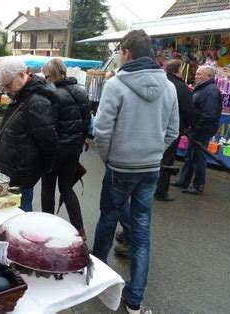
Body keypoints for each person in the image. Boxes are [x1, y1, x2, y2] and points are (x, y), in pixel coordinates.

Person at [92, 30, 179, 313]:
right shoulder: (168, 87)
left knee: (108, 219)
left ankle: (97, 279)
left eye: (120, 51)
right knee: (141, 230)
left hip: (120, 166)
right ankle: (135, 299)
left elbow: (102, 131)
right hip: (150, 168)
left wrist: (109, 158)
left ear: (127, 53)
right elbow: (173, 132)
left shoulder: (116, 85)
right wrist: (153, 152)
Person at [0, 58, 58, 212]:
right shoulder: (22, 96)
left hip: (21, 175)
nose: (7, 90)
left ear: (22, 75)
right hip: (14, 171)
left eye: (8, 86)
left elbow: (49, 143)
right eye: (4, 87)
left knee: (21, 213)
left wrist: (36, 169)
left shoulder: (36, 102)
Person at [40, 58, 90, 237]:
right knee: (67, 188)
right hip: (74, 149)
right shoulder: (81, 91)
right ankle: (80, 229)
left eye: (46, 76)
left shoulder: (51, 94)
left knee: (47, 189)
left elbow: (48, 126)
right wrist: (82, 139)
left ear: (51, 76)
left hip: (55, 151)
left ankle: (47, 230)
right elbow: (86, 122)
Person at [172, 65, 222, 195]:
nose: (196, 76)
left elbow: (209, 115)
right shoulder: (201, 89)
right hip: (196, 128)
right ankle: (184, 181)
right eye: (197, 74)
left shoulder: (211, 91)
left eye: (200, 74)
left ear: (208, 77)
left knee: (198, 157)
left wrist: (197, 127)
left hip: (203, 129)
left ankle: (198, 185)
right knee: (189, 155)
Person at [155, 59, 195, 201]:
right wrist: (191, 125)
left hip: (157, 125)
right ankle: (161, 191)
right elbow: (188, 110)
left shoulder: (161, 83)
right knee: (167, 159)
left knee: (155, 156)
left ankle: (151, 186)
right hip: (173, 127)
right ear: (179, 70)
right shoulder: (181, 87)